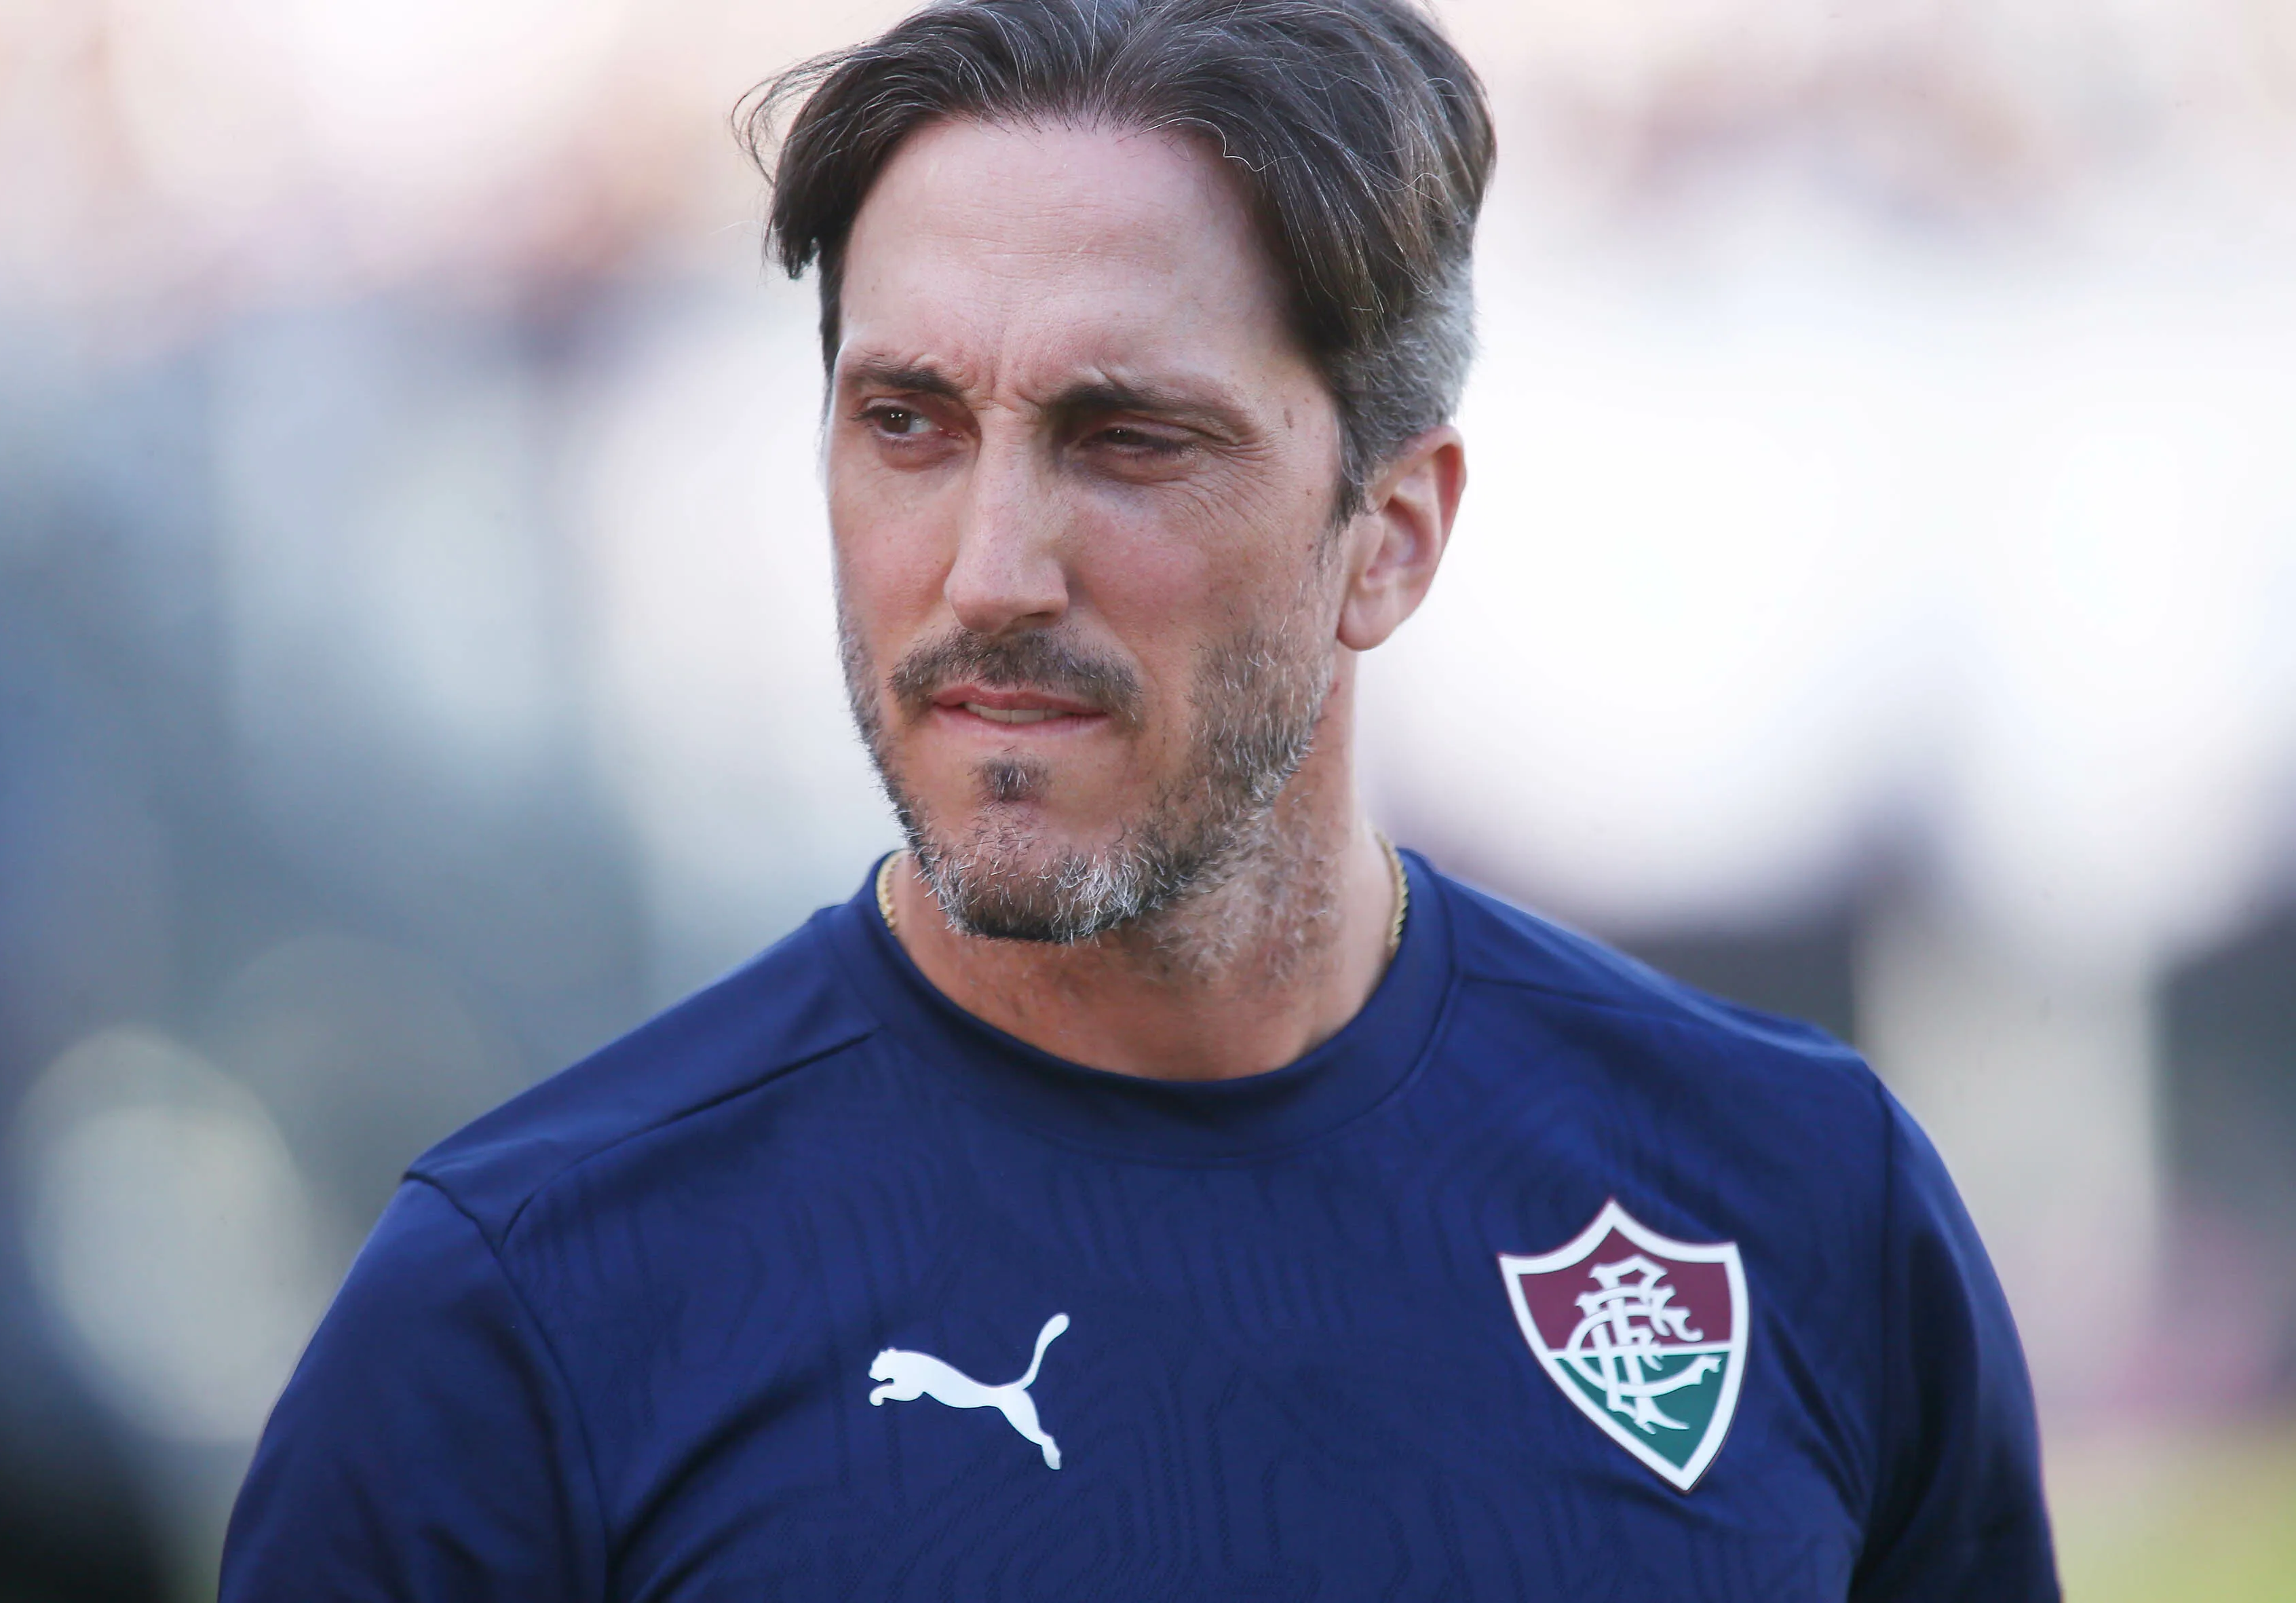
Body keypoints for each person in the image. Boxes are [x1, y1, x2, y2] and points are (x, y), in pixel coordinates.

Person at [221, 0, 2059, 1596]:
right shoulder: (523, 1313)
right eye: (910, 424)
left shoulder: (1789, 1202)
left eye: (1126, 439)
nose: (990, 567)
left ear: (1390, 537)